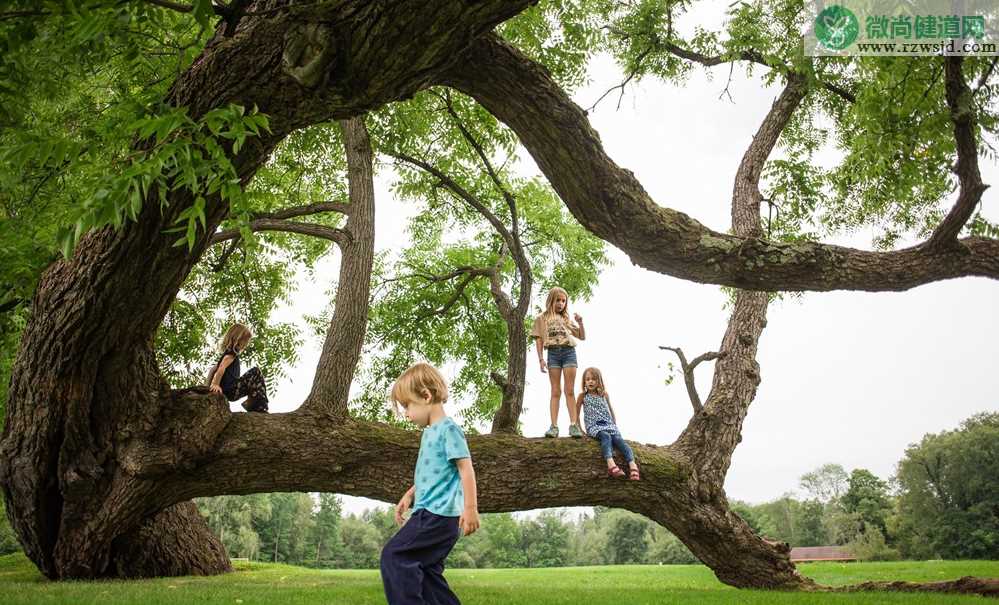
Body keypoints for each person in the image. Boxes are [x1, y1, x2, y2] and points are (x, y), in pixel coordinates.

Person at [380, 362, 480, 604]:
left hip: (437, 516)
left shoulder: (448, 430)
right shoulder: (429, 432)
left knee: (394, 556)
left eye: (407, 405)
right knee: (427, 573)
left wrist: (470, 508)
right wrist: (410, 494)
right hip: (433, 515)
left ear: (425, 396)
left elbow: (465, 469)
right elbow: (432, 472)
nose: (406, 413)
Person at [531, 286, 586, 438]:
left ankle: (574, 425)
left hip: (569, 352)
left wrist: (580, 323)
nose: (561, 303)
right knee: (555, 391)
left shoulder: (566, 318)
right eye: (558, 300)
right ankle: (554, 427)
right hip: (553, 354)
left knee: (569, 390)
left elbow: (582, 336)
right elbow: (539, 339)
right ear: (551, 300)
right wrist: (541, 359)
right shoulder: (541, 318)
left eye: (563, 301)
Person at [577, 367, 639, 480]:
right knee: (606, 436)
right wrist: (580, 430)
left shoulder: (604, 395)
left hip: (609, 424)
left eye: (594, 379)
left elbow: (610, 410)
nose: (590, 381)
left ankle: (633, 465)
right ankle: (611, 465)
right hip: (594, 426)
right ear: (584, 382)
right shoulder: (583, 396)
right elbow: (575, 415)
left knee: (619, 440)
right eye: (588, 379)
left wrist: (614, 425)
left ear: (599, 381)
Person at [207, 323, 269, 413]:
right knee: (256, 372)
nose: (246, 344)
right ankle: (260, 406)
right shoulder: (231, 354)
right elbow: (221, 368)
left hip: (229, 391)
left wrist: (207, 388)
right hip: (232, 389)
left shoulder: (227, 354)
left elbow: (213, 370)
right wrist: (215, 384)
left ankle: (251, 401)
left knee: (254, 379)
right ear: (238, 339)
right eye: (245, 341)